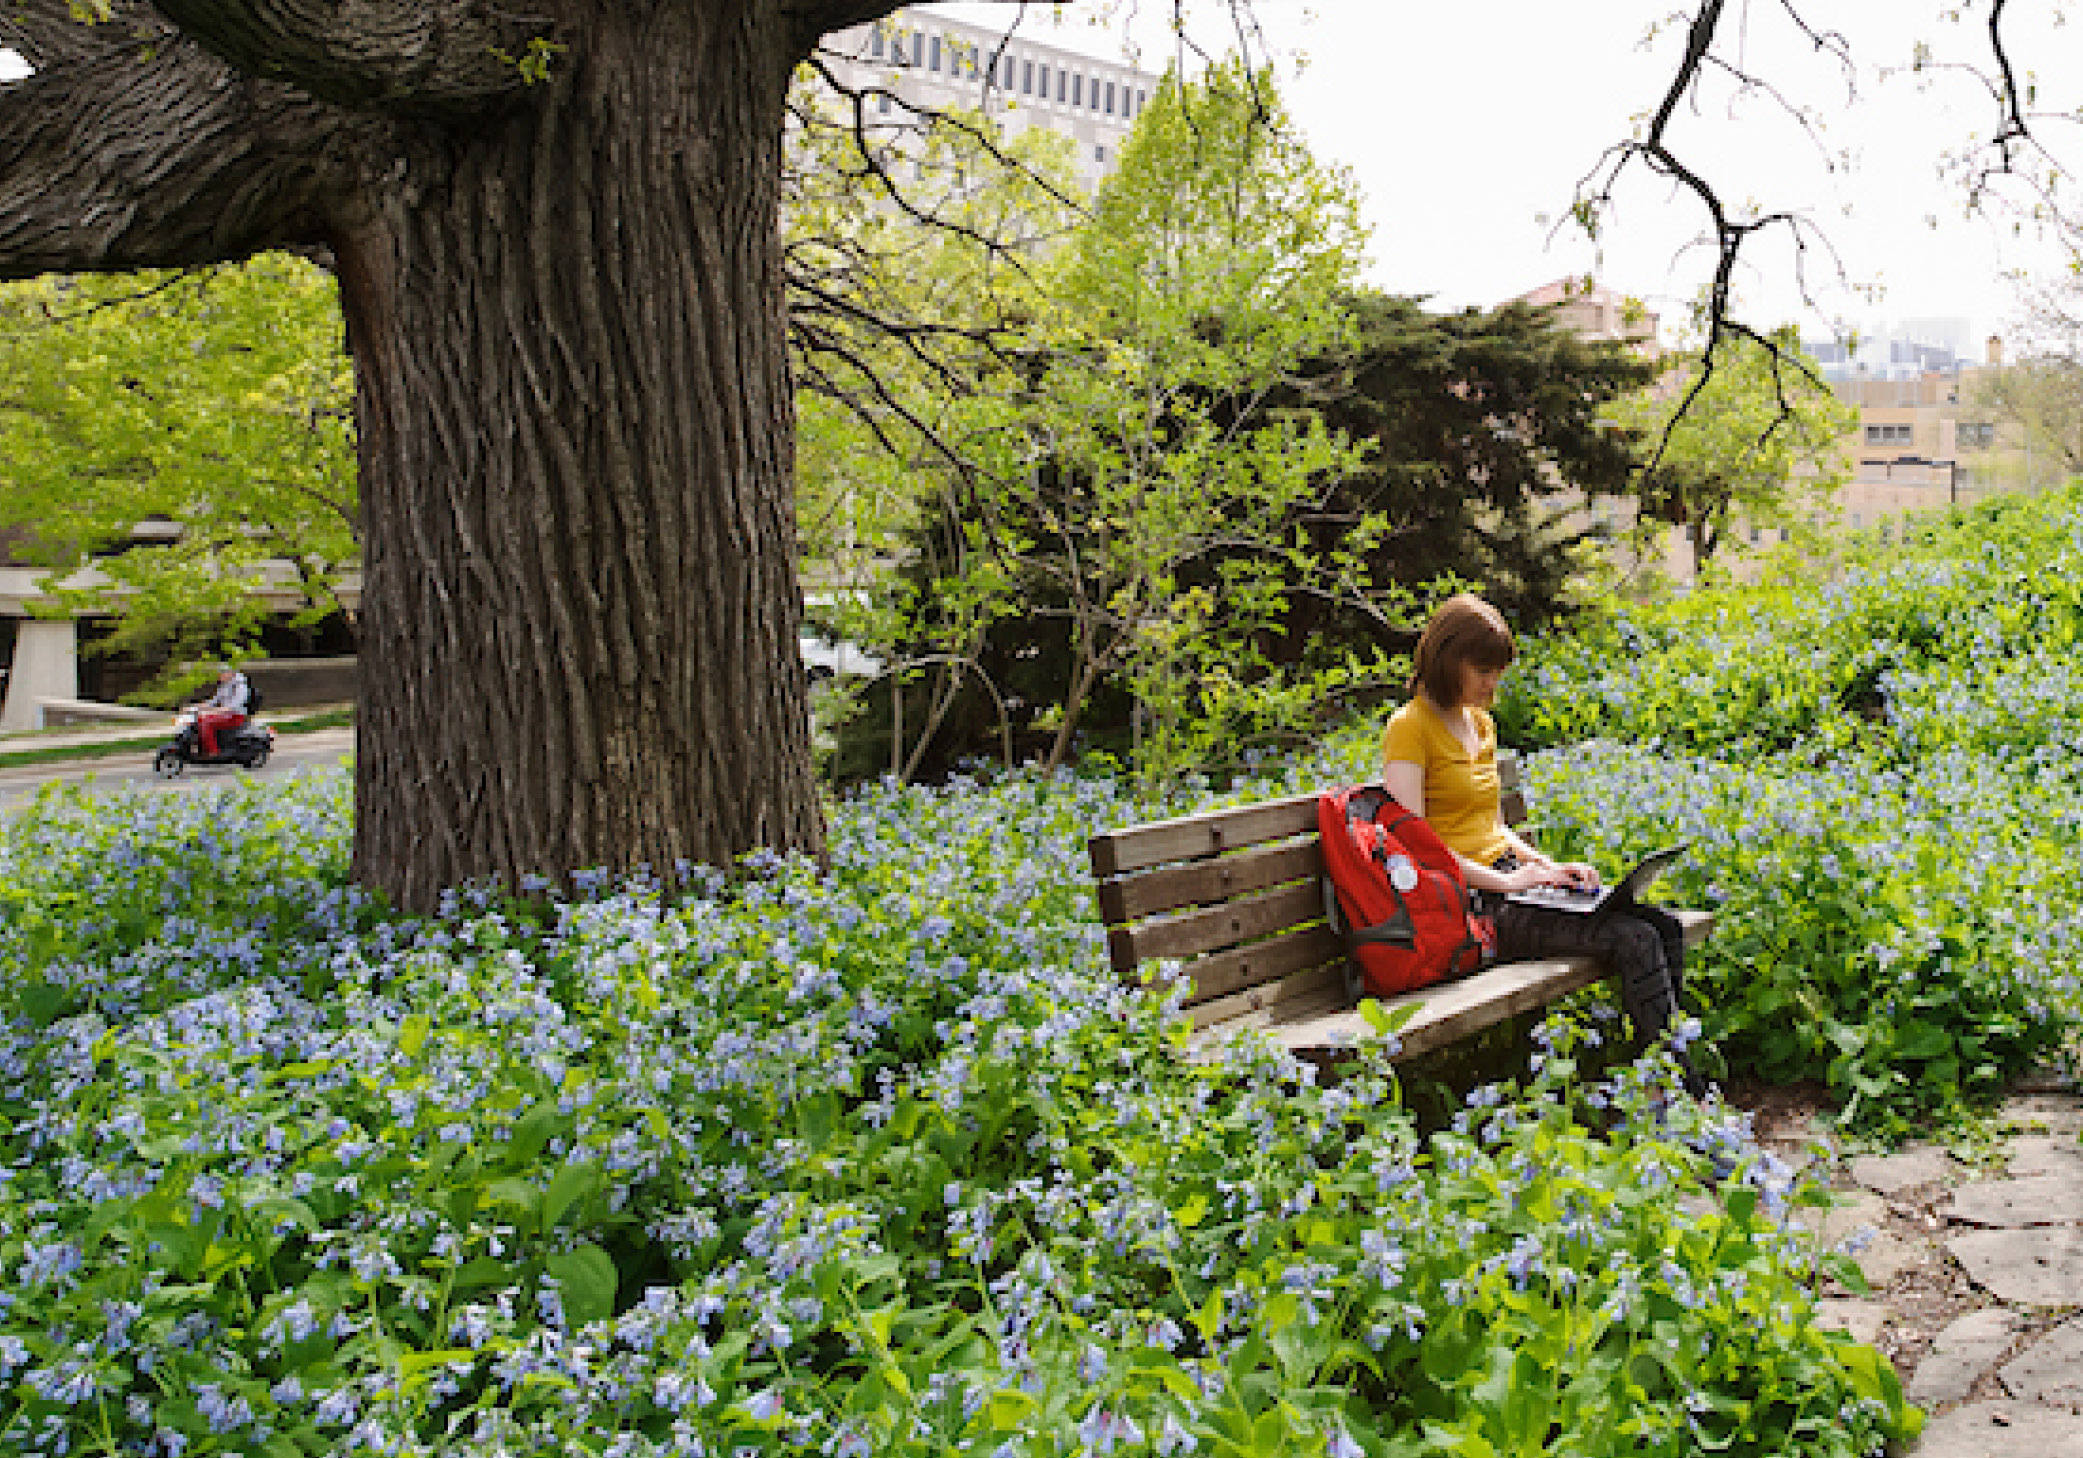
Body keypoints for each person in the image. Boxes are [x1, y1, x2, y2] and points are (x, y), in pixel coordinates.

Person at [1381, 593, 1687, 1050]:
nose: (1493, 685)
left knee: (1665, 926)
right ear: (1449, 661)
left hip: (1511, 884)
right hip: (1473, 904)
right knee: (1635, 939)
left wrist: (1549, 869)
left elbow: (1495, 828)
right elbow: (1415, 848)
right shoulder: (1409, 727)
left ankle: (1664, 1075)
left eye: (1497, 673)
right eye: (1484, 672)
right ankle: (1673, 1086)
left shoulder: (1480, 724)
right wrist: (1508, 884)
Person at [196, 663, 251, 759]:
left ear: (231, 673)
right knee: (199, 719)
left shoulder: (240, 686)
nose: (219, 675)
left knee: (207, 722)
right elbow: (213, 701)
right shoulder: (224, 686)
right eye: (219, 673)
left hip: (235, 716)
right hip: (225, 715)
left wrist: (219, 710)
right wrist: (194, 707)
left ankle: (213, 752)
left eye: (222, 673)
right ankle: (202, 748)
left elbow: (235, 704)